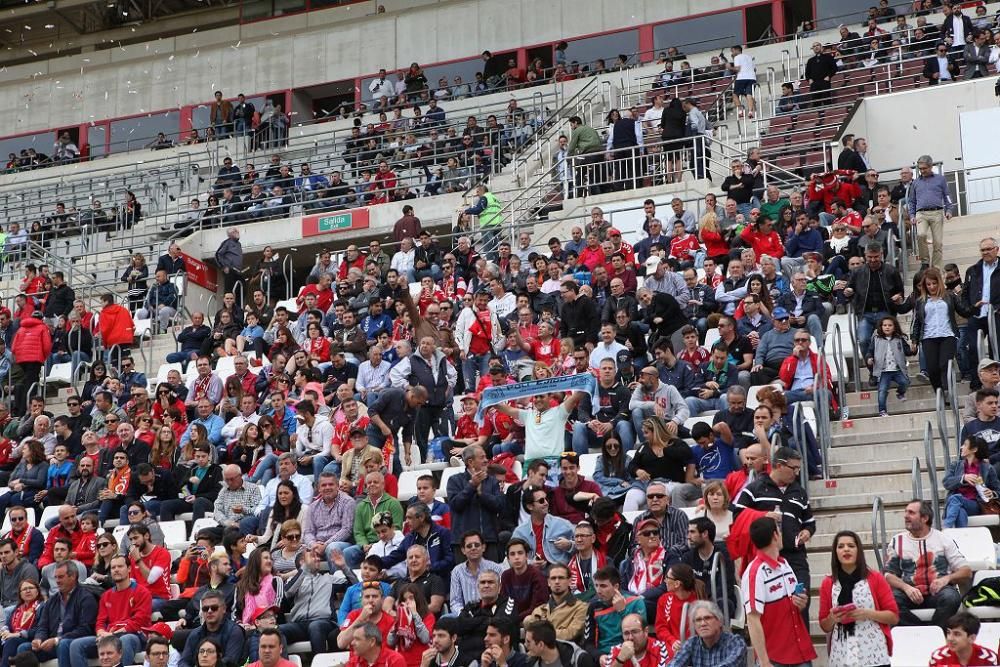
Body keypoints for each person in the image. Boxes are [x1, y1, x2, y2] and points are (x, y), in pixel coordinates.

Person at [883, 499, 971, 627]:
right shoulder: (898, 541)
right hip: (909, 593)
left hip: (938, 593)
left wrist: (946, 579)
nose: (905, 516)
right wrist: (906, 588)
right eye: (906, 512)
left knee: (951, 597)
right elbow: (887, 575)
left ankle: (935, 632)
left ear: (924, 518)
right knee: (889, 600)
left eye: (911, 513)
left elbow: (966, 571)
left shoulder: (943, 539)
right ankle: (921, 631)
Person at [742, 516, 816, 667]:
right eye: (780, 531)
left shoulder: (784, 564)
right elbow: (752, 619)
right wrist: (764, 662)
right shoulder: (755, 572)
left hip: (799, 652)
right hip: (774, 658)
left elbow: (795, 605)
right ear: (775, 535)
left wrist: (801, 602)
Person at [818, 530, 898, 667]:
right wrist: (832, 618)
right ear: (835, 552)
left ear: (858, 550)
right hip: (841, 654)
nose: (846, 549)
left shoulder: (875, 578)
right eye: (841, 546)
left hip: (874, 653)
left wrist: (867, 613)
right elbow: (824, 626)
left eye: (851, 545)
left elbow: (893, 616)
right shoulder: (828, 582)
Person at [69, 554, 152, 667]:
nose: (116, 570)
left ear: (128, 569)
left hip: (134, 636)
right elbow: (100, 621)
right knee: (76, 645)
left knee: (125, 640)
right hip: (108, 636)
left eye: (120, 566)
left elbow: (138, 622)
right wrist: (101, 633)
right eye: (113, 568)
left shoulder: (142, 592)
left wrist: (112, 634)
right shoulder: (106, 595)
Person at [18, 560, 97, 666]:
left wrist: (57, 640)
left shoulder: (86, 597)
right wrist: (38, 639)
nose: (57, 581)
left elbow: (85, 629)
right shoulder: (52, 600)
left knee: (63, 644)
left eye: (61, 577)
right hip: (52, 644)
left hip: (72, 642)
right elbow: (43, 626)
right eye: (56, 577)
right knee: (24, 648)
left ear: (73, 576)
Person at [582, 566, 646, 659]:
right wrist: (599, 656)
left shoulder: (635, 602)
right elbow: (588, 643)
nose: (598, 591)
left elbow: (640, 637)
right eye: (596, 585)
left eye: (603, 586)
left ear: (616, 586)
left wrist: (622, 611)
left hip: (629, 654)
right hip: (603, 655)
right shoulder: (594, 607)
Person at [177, 590, 244, 667]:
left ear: (224, 609)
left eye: (214, 608)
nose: (209, 611)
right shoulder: (195, 634)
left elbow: (230, 662)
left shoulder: (234, 631)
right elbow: (183, 662)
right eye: (205, 608)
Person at [944, 436, 1000, 528]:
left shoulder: (988, 468)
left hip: (976, 504)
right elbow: (946, 482)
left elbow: (998, 490)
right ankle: (963, 540)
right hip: (957, 505)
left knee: (955, 498)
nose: (961, 447)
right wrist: (963, 478)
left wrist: (992, 493)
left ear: (974, 449)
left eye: (965, 445)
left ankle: (946, 529)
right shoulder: (955, 465)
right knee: (960, 512)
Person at [524, 563, 588, 644]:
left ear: (569, 581)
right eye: (553, 578)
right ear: (548, 582)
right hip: (537, 654)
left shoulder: (581, 608)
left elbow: (570, 634)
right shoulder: (539, 610)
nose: (557, 582)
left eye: (561, 578)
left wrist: (540, 633)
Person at [929, 612, 1000, 666]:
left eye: (957, 634)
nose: (950, 638)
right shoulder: (937, 657)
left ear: (972, 638)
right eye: (948, 632)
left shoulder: (989, 658)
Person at [604, 612, 669, 667]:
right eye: (626, 633)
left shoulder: (661, 650)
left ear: (646, 631)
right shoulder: (616, 650)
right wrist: (620, 659)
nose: (630, 638)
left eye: (635, 632)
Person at [523, 619, 594, 667]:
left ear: (541, 645)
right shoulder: (530, 662)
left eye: (528, 642)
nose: (525, 645)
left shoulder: (580, 660)